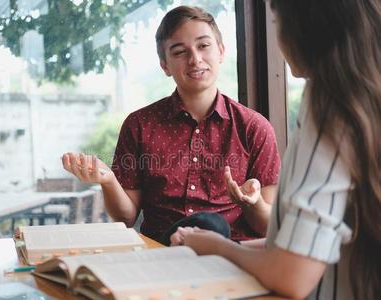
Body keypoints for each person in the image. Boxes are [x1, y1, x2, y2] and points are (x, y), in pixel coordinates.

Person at [173, 0, 381, 299]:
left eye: (275, 23)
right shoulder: (363, 96)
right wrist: (222, 245)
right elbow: (310, 243)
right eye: (179, 51)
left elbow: (291, 273)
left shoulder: (328, 103)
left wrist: (218, 247)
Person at [62, 5, 281, 244]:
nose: (195, 59)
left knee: (212, 225)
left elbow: (268, 225)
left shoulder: (254, 128)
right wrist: (108, 181)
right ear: (165, 65)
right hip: (161, 253)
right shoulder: (139, 125)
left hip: (230, 256)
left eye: (203, 46)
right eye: (179, 52)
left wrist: (253, 202)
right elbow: (125, 218)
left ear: (220, 51)